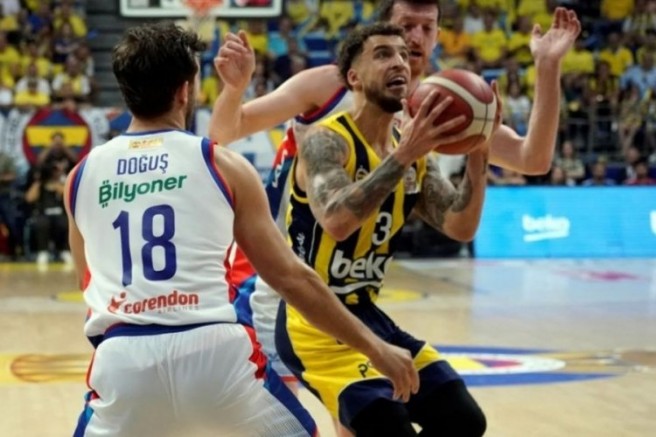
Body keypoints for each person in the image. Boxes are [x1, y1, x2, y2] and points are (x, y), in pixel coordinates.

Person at [63, 22, 418, 437]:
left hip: (123, 358)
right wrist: (375, 347)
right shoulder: (222, 164)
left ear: (126, 91)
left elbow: (89, 284)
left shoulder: (80, 176)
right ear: (185, 90)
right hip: (215, 355)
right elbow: (291, 278)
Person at [210, 0, 581, 395]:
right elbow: (226, 131)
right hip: (277, 276)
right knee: (283, 417)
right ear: (382, 30)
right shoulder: (330, 84)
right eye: (406, 26)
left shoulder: (442, 103)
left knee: (360, 412)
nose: (416, 37)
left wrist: (547, 67)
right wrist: (234, 89)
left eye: (427, 28)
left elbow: (532, 159)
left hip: (350, 290)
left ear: (438, 36)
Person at [277, 23, 493, 435]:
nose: (400, 62)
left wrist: (479, 152)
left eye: (403, 55)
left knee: (463, 419)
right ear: (354, 77)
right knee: (389, 426)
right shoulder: (326, 141)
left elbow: (460, 225)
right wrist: (405, 155)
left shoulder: (410, 150)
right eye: (382, 54)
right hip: (314, 324)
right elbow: (337, 221)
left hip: (368, 314)